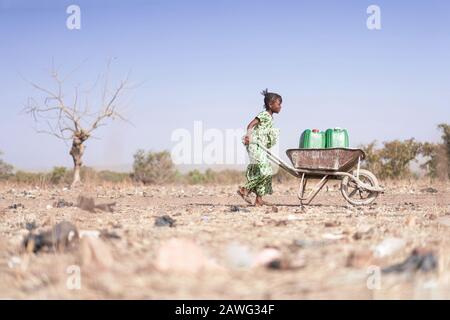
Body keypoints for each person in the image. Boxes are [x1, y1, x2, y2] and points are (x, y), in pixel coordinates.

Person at [237, 89, 282, 206]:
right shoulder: (264, 114)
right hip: (254, 145)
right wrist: (248, 136)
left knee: (262, 170)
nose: (280, 106)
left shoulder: (270, 118)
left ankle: (259, 199)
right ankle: (244, 189)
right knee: (266, 171)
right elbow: (250, 125)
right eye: (278, 104)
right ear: (270, 104)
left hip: (261, 146)